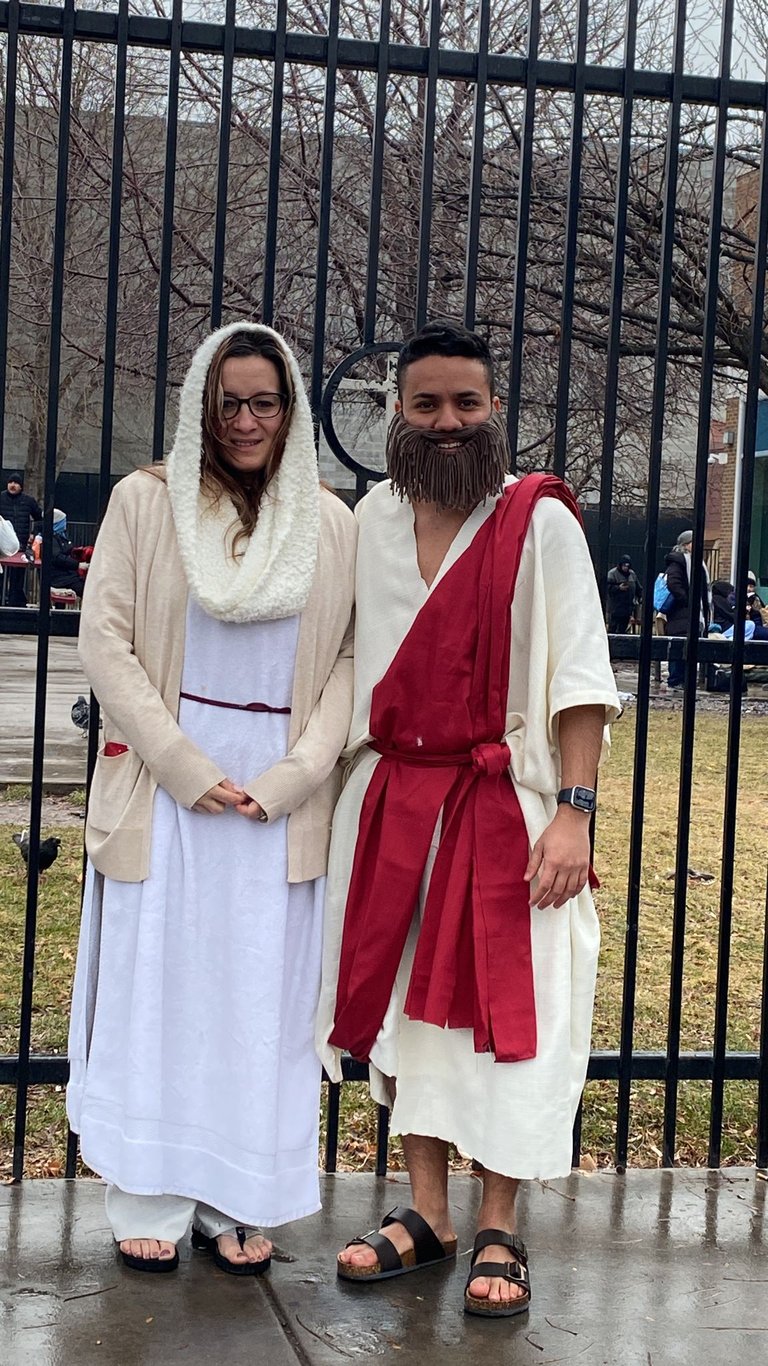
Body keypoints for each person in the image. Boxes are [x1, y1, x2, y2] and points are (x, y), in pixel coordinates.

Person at [317, 321, 620, 1320]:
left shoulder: (540, 523)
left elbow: (580, 676)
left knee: (504, 1014)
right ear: (395, 414)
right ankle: (427, 1212)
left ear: (496, 412)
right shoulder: (364, 521)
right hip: (396, 802)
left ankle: (499, 1221)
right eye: (427, 404)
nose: (448, 423)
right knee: (408, 1010)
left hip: (505, 808)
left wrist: (574, 812)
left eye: (467, 404)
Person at [66, 321, 356, 1277]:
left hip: (276, 800)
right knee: (160, 990)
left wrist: (288, 780)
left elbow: (352, 666)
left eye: (262, 401)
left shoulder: (332, 522)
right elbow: (106, 643)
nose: (244, 420)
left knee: (255, 1002)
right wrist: (186, 767)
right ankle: (149, 1190)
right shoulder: (144, 504)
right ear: (202, 404)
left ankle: (238, 1194)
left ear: (290, 409)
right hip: (168, 785)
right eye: (227, 401)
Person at [664, 530, 710, 689]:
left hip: (694, 613)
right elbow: (674, 584)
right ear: (685, 545)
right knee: (679, 645)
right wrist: (688, 602)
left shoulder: (696, 562)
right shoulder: (678, 562)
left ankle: (684, 679)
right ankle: (676, 680)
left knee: (689, 646)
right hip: (682, 614)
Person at [0, 471, 42, 606]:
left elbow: (40, 519)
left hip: (21, 546)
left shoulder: (28, 501)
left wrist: (34, 533)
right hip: (2, 546)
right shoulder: (1, 498)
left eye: (16, 483)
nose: (12, 485)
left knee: (18, 578)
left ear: (21, 486)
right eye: (10, 482)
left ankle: (14, 603)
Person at [50, 509, 86, 598]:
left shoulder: (61, 536)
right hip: (61, 577)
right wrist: (77, 565)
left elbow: (68, 550)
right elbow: (57, 557)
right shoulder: (51, 539)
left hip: (68, 574)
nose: (65, 524)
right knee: (86, 590)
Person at [606, 555, 640, 632]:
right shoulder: (612, 574)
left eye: (627, 566)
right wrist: (618, 588)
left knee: (623, 628)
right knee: (613, 628)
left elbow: (638, 587)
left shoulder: (632, 574)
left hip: (627, 608)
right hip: (615, 607)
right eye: (624, 565)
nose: (625, 568)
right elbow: (607, 587)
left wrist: (640, 597)